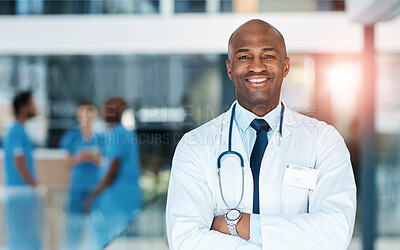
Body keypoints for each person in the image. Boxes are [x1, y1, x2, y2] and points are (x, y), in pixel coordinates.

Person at [166, 19, 357, 249]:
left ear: (286, 66)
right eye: (244, 57)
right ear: (229, 68)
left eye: (268, 56)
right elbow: (186, 240)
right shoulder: (194, 146)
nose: (257, 66)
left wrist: (237, 224)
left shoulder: (324, 141)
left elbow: (335, 233)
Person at [84, 97, 143, 248]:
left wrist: (92, 195)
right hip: (123, 199)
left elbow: (112, 170)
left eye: (108, 108)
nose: (103, 111)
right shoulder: (122, 133)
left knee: (115, 242)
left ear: (117, 111)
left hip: (118, 201)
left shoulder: (118, 134)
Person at [59, 101, 103, 248]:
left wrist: (91, 157)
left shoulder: (101, 137)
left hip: (95, 188)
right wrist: (80, 157)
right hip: (77, 187)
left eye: (88, 113)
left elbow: (104, 161)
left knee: (95, 226)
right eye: (82, 113)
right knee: (74, 227)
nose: (85, 117)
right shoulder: (72, 136)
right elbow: (67, 161)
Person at [3, 91, 42, 249]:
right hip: (19, 194)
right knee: (21, 237)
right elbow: (19, 161)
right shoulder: (15, 131)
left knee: (27, 235)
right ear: (23, 107)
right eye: (32, 104)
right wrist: (35, 185)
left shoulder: (21, 131)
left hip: (23, 194)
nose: (35, 107)